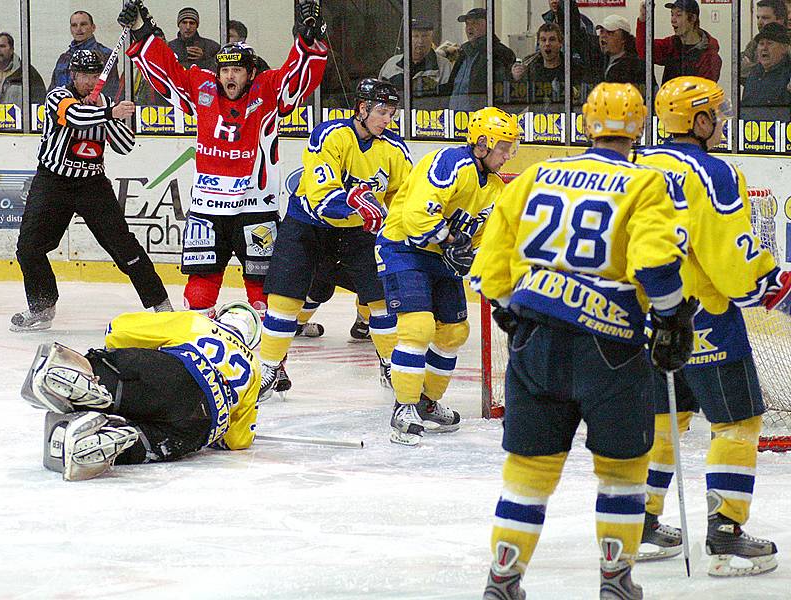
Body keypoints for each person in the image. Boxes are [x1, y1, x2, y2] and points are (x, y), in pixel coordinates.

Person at [471, 83, 694, 599]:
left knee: (528, 470)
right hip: (610, 348)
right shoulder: (645, 184)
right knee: (621, 469)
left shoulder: (537, 174)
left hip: (535, 340)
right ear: (640, 127)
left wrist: (510, 310)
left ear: (586, 124)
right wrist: (671, 320)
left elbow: (492, 262)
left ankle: (503, 580)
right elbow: (656, 264)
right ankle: (616, 581)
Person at [634, 76, 780, 577]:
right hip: (702, 317)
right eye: (715, 112)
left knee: (661, 421)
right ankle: (725, 535)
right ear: (698, 120)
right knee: (737, 422)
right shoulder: (713, 172)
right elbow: (732, 262)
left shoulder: (638, 163)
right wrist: (776, 289)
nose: (721, 120)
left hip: (642, 318)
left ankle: (641, 526)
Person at [120, 1, 327, 321]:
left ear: (251, 72)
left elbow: (296, 77)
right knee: (200, 288)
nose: (230, 76)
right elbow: (168, 74)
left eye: (238, 70)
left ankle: (268, 356)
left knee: (263, 290)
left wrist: (307, 40)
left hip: (256, 207)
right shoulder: (201, 86)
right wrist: (141, 30)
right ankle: (203, 351)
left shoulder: (268, 90)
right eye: (225, 70)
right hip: (208, 208)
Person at [258, 79, 412, 400]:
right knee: (286, 298)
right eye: (382, 112)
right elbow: (320, 197)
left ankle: (389, 363)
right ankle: (271, 367)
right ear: (362, 108)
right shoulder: (330, 135)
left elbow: (404, 196)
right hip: (309, 225)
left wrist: (395, 223)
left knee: (381, 297)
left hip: (359, 231)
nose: (388, 119)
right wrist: (356, 202)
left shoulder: (395, 149)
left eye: (392, 113)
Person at [376, 106, 518, 447]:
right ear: (482, 143)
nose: (507, 155)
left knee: (454, 333)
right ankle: (403, 407)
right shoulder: (451, 162)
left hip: (439, 258)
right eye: (503, 147)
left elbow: (484, 237)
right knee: (418, 326)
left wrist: (476, 257)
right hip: (403, 248)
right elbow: (416, 215)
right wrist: (452, 241)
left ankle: (425, 402)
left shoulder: (496, 188)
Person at [11, 50, 172, 332]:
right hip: (53, 182)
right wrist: (107, 112)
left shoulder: (104, 103)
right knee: (29, 247)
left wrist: (110, 116)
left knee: (125, 248)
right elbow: (74, 117)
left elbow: (125, 145)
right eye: (85, 75)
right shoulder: (58, 97)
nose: (90, 81)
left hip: (92, 185)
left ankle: (161, 304)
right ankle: (42, 306)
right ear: (73, 75)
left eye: (95, 75)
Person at [20, 301, 262, 481]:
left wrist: (125, 357)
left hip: (172, 374)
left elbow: (118, 330)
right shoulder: (254, 367)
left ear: (221, 318)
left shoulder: (199, 323)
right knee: (147, 440)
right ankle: (101, 441)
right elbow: (239, 440)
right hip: (199, 427)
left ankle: (80, 381)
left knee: (119, 372)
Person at [636, 0, 722, 85]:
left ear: (692, 18)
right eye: (672, 14)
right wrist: (643, 18)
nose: (673, 20)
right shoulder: (671, 45)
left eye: (678, 15)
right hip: (668, 99)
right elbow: (644, 51)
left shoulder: (709, 56)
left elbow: (703, 91)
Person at [447, 8, 516, 112]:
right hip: (456, 118)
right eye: (467, 24)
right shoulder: (464, 52)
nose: (469, 28)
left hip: (480, 118)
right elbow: (453, 85)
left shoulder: (499, 52)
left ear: (488, 25)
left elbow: (504, 90)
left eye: (475, 23)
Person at [378, 18, 452, 102]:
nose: (420, 41)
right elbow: (381, 98)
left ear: (432, 38)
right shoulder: (391, 65)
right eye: (415, 36)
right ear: (406, 39)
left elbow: (446, 101)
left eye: (425, 36)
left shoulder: (444, 66)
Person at [50, 11, 120, 98]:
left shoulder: (106, 55)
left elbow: (111, 92)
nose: (78, 29)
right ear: (70, 29)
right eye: (74, 25)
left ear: (93, 27)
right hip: (63, 108)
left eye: (83, 24)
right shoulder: (64, 58)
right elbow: (52, 91)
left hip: (94, 109)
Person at [510, 23, 577, 113]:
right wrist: (515, 79)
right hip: (537, 123)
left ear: (560, 43)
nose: (547, 44)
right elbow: (516, 105)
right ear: (538, 43)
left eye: (552, 40)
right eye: (543, 40)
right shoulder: (530, 70)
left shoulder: (572, 69)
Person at [741, 23, 791, 122]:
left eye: (770, 43)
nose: (764, 48)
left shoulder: (788, 76)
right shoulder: (753, 74)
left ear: (784, 48)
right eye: (761, 43)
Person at [0, 32, 47, 105]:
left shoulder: (26, 72)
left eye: (2, 46)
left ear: (11, 50)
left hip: (21, 116)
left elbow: (40, 102)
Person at [741, 0, 788, 85]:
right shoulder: (754, 43)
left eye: (765, 18)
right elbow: (741, 72)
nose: (759, 23)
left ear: (780, 20)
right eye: (758, 18)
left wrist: (752, 68)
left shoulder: (786, 44)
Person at [596, 15, 648, 91]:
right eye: (601, 31)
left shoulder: (636, 66)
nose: (603, 36)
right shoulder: (596, 61)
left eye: (610, 32)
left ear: (623, 38)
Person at [167, 7, 220, 71]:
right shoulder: (169, 48)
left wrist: (204, 58)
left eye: (192, 23)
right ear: (178, 25)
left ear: (197, 25)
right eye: (184, 22)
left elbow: (220, 70)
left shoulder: (212, 47)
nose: (188, 27)